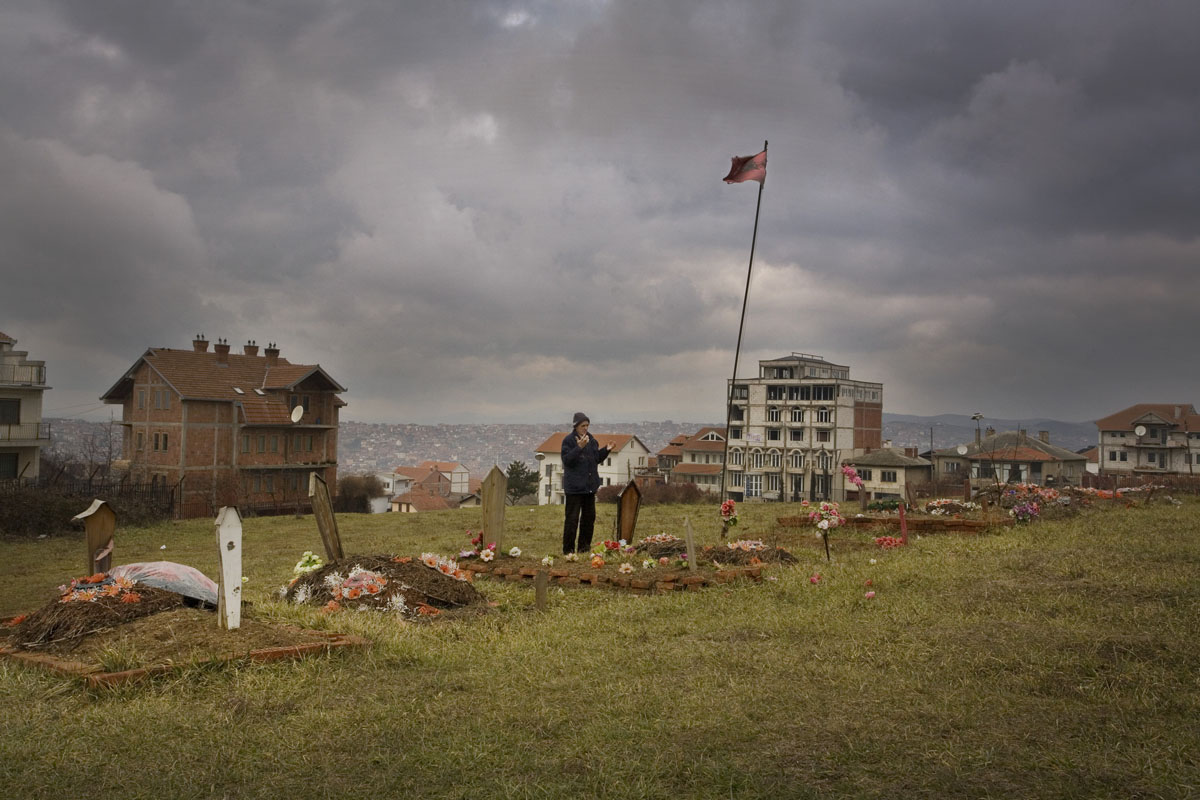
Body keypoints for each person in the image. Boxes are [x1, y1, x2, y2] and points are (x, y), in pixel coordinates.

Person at [561, 412, 613, 555]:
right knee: (572, 520)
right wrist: (579, 447)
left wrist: (606, 450)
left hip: (589, 488)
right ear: (576, 426)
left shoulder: (592, 441)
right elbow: (567, 460)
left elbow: (595, 459)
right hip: (574, 489)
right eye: (583, 425)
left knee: (588, 520)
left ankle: (584, 548)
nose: (585, 428)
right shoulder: (568, 441)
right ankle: (568, 551)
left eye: (587, 425)